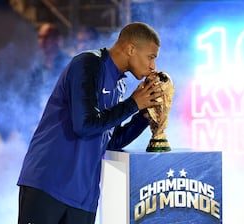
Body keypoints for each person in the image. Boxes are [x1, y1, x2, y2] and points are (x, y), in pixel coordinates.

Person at [17, 22, 165, 224]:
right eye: (151, 56)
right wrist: (132, 104)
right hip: (48, 184)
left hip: (84, 196)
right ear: (131, 48)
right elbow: (84, 125)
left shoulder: (119, 84)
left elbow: (110, 141)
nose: (153, 66)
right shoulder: (88, 63)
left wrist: (143, 116)